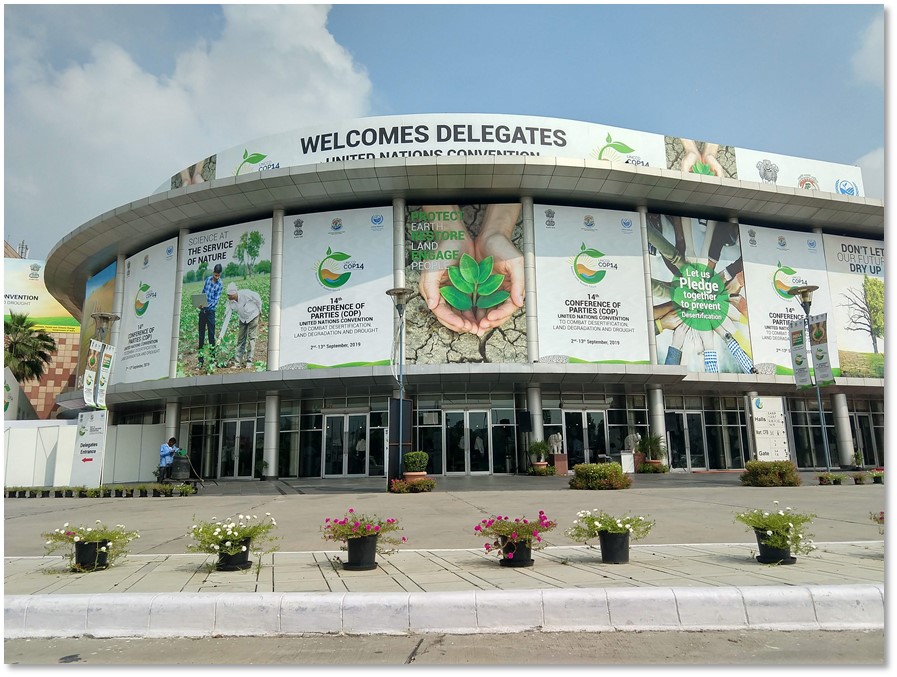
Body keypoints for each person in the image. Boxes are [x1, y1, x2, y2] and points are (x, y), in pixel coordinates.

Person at [223, 282, 262, 368]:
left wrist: (260, 310)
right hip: (242, 318)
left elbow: (257, 298)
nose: (228, 297)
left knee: (252, 338)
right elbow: (227, 317)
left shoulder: (245, 294)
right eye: (228, 295)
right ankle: (237, 363)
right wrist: (221, 335)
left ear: (234, 293)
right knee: (240, 340)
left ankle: (249, 361)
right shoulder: (230, 301)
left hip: (253, 315)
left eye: (230, 295)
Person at [198, 264, 223, 367]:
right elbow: (203, 292)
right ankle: (200, 361)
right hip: (202, 311)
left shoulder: (220, 284)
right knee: (201, 336)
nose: (216, 277)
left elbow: (216, 300)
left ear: (220, 274)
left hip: (211, 312)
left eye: (218, 275)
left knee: (211, 336)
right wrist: (200, 302)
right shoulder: (208, 279)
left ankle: (212, 360)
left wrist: (206, 305)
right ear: (213, 272)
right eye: (215, 275)